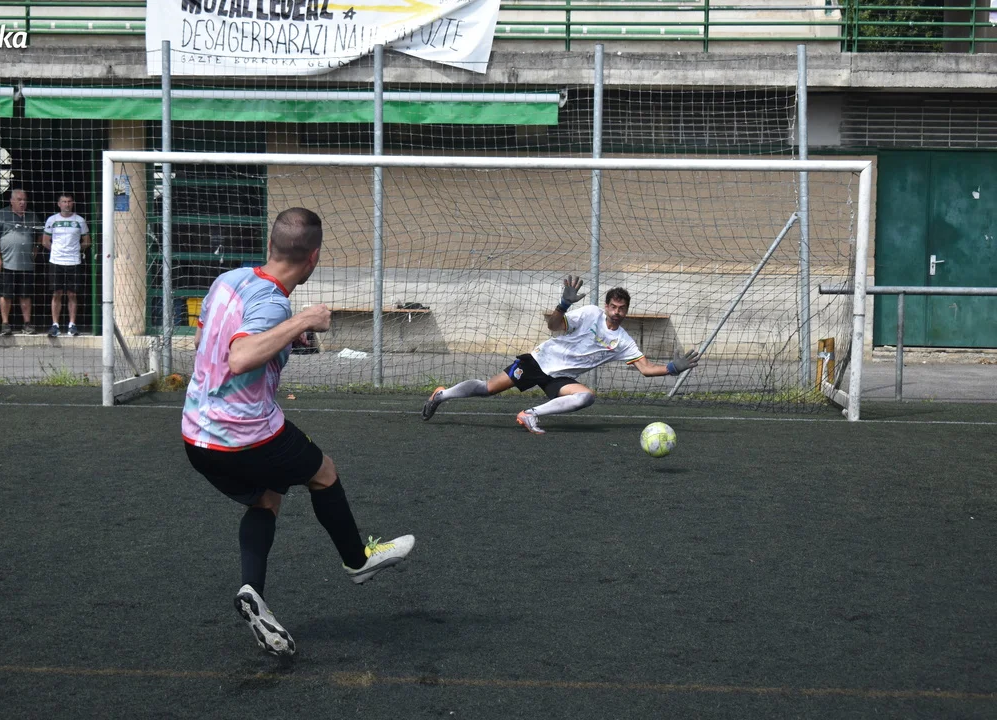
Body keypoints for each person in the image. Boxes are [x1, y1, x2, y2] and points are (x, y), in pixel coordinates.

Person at [182, 207, 414, 659]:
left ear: (270, 245)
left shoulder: (227, 280)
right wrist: (301, 322)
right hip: (246, 435)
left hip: (196, 435)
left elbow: (202, 341)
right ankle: (358, 561)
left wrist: (279, 338)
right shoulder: (274, 303)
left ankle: (252, 591)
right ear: (314, 258)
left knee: (266, 498)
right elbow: (240, 357)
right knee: (323, 472)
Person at [421, 275, 700, 434]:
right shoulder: (590, 313)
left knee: (586, 396)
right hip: (540, 361)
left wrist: (673, 368)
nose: (617, 312)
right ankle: (441, 395)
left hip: (561, 378)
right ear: (606, 306)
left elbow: (646, 368)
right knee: (488, 389)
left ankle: (529, 414)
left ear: (627, 310)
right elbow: (554, 326)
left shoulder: (623, 342)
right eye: (613, 307)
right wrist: (563, 305)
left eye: (622, 308)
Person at [0, 188, 41, 335]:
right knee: (6, 294)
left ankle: (27, 324)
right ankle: (5, 324)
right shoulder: (1, 215)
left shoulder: (32, 216)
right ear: (11, 201)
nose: (22, 202)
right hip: (7, 263)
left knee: (26, 295)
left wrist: (36, 250)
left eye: (24, 200)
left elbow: (41, 235)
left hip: (26, 264)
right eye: (19, 200)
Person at [41, 192, 90, 337]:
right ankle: (55, 325)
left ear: (72, 203)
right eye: (64, 201)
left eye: (69, 201)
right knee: (56, 293)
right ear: (59, 204)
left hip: (74, 261)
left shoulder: (80, 220)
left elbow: (87, 241)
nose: (67, 204)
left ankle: (72, 325)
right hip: (56, 261)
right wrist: (57, 250)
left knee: (72, 294)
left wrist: (75, 250)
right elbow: (45, 241)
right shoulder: (52, 220)